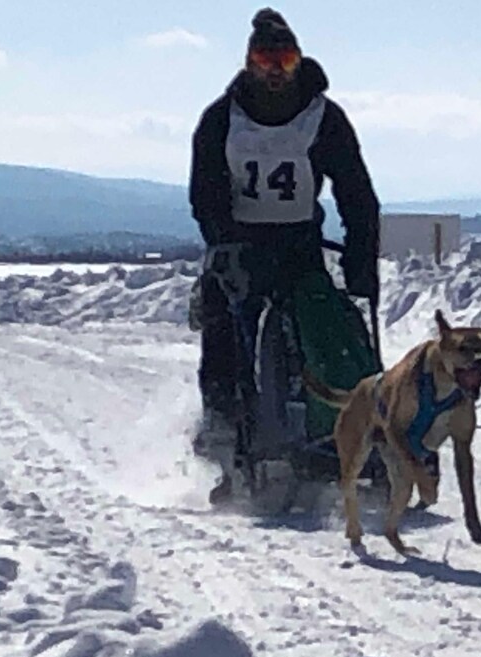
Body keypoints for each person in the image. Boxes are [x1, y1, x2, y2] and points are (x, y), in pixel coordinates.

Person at [188, 8, 382, 498]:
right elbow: (205, 192)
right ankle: (226, 433)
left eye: (285, 60)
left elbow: (356, 193)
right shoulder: (220, 120)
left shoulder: (324, 118)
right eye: (265, 59)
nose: (275, 70)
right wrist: (221, 241)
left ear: (299, 62)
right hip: (239, 243)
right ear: (249, 62)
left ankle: (353, 424)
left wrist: (361, 259)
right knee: (227, 323)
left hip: (299, 244)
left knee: (329, 324)